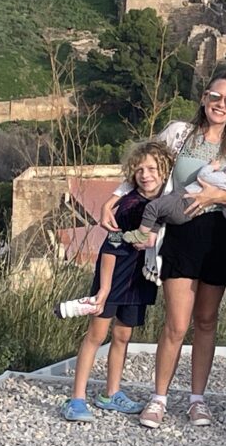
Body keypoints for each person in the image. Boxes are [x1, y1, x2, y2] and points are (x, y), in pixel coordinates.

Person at [100, 71, 226, 429]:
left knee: (206, 321)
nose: (221, 105)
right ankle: (159, 398)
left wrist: (217, 196)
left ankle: (197, 399)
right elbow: (147, 165)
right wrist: (114, 197)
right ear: (204, 98)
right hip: (180, 234)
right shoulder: (177, 133)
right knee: (176, 323)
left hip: (219, 236)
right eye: (215, 97)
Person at [61, 140, 174, 422]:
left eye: (152, 169)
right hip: (114, 276)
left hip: (140, 279)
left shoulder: (165, 202)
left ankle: (111, 393)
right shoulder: (129, 205)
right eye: (140, 170)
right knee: (96, 335)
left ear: (164, 170)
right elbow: (110, 247)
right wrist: (104, 288)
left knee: (123, 336)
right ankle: (76, 398)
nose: (145, 175)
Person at [122, 160, 226, 286]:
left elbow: (202, 176)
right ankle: (151, 238)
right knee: (160, 215)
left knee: (152, 208)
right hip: (189, 216)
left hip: (182, 200)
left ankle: (142, 235)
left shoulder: (222, 178)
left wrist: (211, 167)